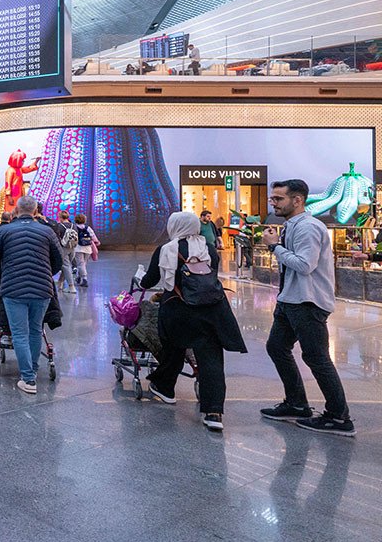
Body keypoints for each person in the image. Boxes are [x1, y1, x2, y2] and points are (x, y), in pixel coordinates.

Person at [259, 179, 355, 436]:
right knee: (277, 347)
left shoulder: (308, 228)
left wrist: (274, 246)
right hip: (290, 299)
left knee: (316, 358)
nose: (273, 203)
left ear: (297, 200)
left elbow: (304, 265)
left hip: (307, 301)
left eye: (279, 199)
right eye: (273, 198)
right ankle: (297, 404)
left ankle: (338, 417)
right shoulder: (292, 226)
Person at [138, 211, 247, 431]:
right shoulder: (208, 248)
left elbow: (149, 281)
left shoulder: (166, 249)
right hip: (212, 310)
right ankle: (214, 412)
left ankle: (165, 388)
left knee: (173, 348)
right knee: (211, 359)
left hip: (179, 310)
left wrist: (140, 277)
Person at [0, 196, 62, 395]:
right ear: (35, 210)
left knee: (19, 333)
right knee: (36, 331)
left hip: (13, 289)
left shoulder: (4, 231)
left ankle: (28, 379)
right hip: (42, 289)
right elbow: (58, 260)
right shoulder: (47, 231)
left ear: (16, 210)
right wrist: (46, 274)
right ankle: (33, 372)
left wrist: (4, 275)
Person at [71, 213, 99, 287]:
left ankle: (84, 279)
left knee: (80, 264)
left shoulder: (74, 228)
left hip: (78, 248)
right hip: (88, 249)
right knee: (83, 264)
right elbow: (93, 237)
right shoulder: (88, 228)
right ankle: (80, 278)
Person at [55, 210, 79, 293]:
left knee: (66, 266)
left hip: (63, 248)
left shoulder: (59, 226)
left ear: (60, 217)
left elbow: (57, 238)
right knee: (67, 266)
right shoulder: (74, 226)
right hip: (72, 248)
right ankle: (60, 282)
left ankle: (71, 286)